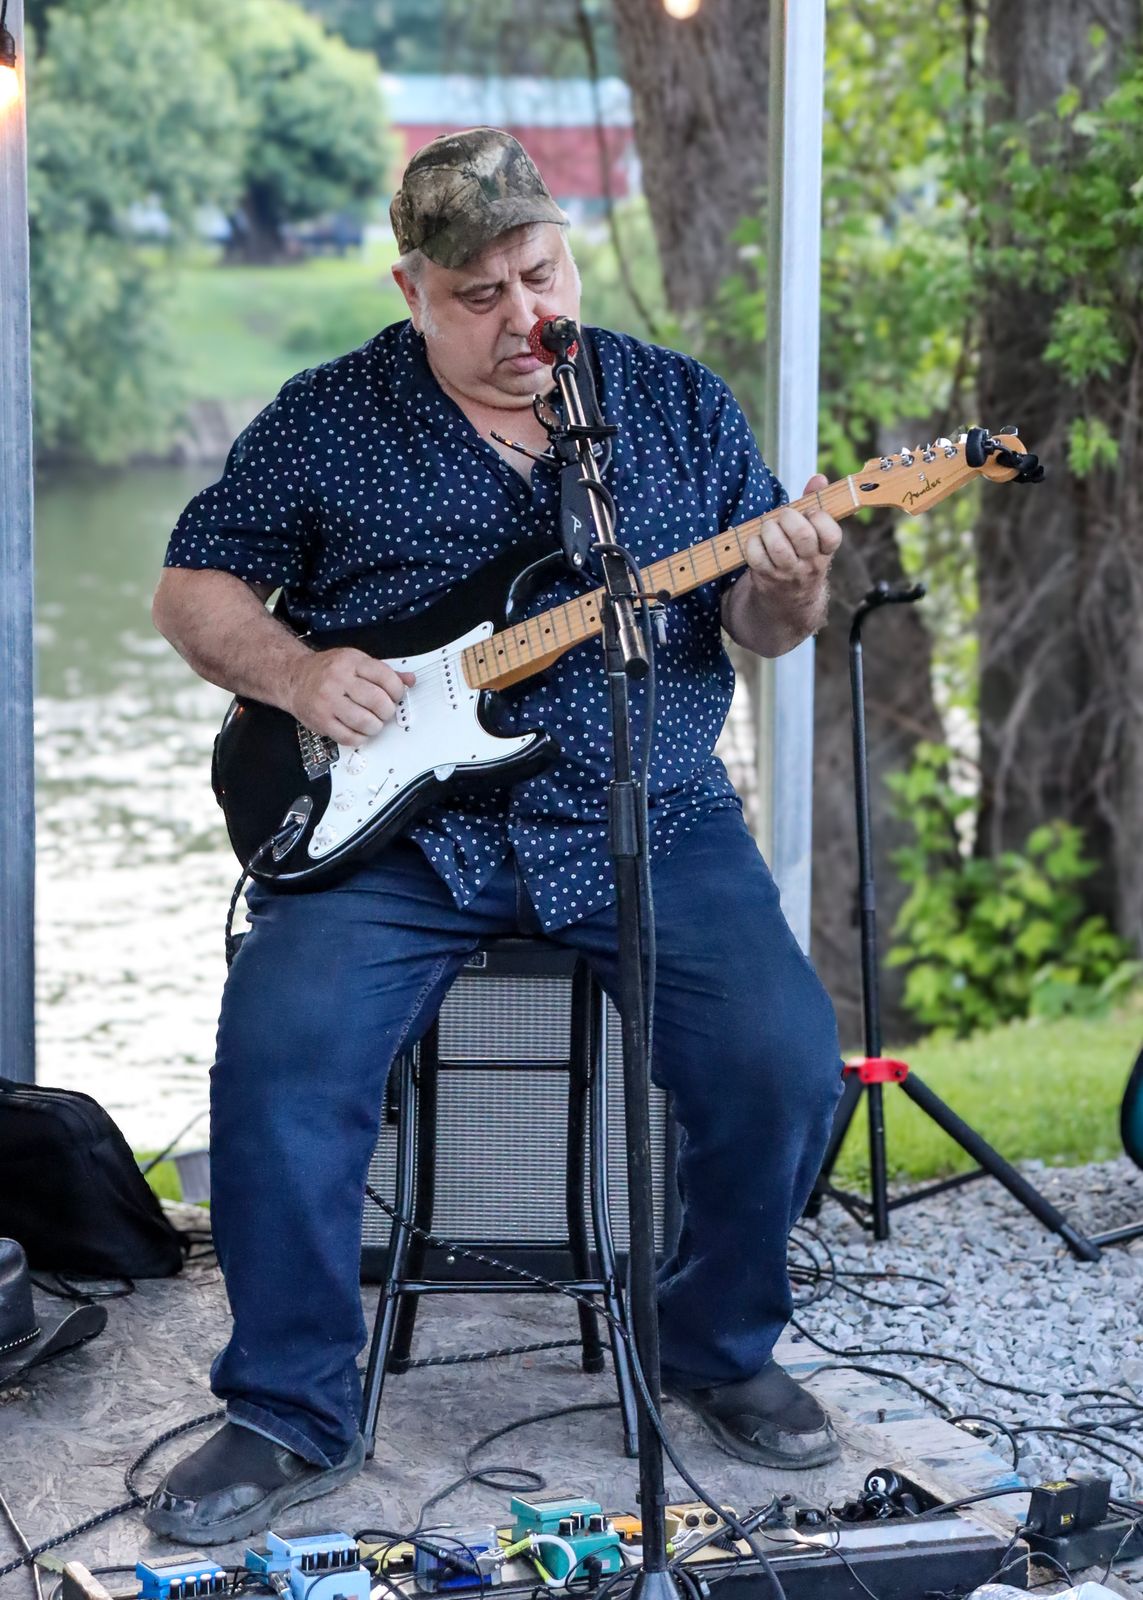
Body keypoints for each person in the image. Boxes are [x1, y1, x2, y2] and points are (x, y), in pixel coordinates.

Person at [143, 128, 846, 1547]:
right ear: (413, 291)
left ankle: (715, 1344)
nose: (525, 315)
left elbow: (761, 628)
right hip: (405, 838)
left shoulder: (671, 405)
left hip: (648, 806)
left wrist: (792, 586)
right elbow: (192, 587)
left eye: (540, 274)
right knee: (281, 1059)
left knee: (784, 1061)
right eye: (479, 293)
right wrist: (296, 674)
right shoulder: (329, 419)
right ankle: (289, 1407)